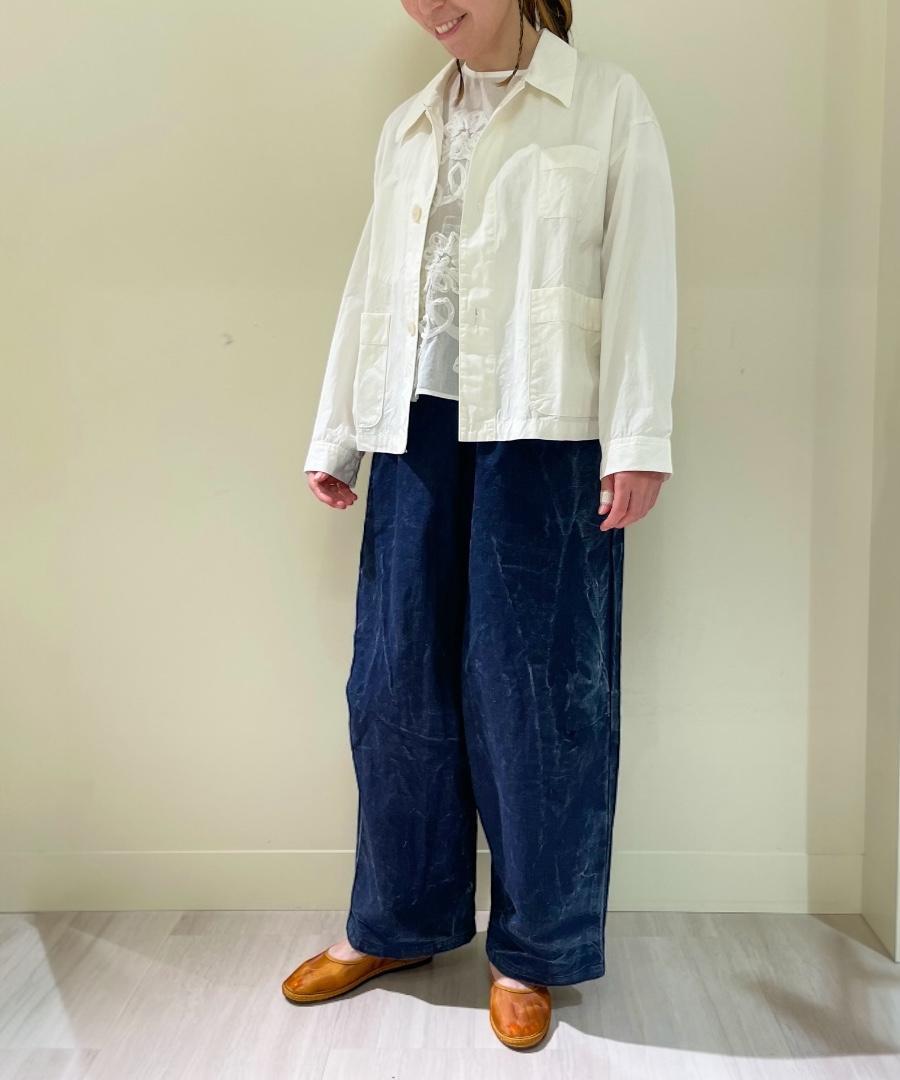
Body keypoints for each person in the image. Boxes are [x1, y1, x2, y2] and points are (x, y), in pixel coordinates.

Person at [282, 0, 677, 1051]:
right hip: (413, 423)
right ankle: (398, 922)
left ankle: (533, 951)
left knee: (537, 695)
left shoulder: (606, 105)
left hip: (547, 429)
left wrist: (638, 438)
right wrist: (337, 434)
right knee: (395, 681)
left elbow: (642, 270)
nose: (431, 4)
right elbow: (372, 285)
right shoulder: (411, 123)